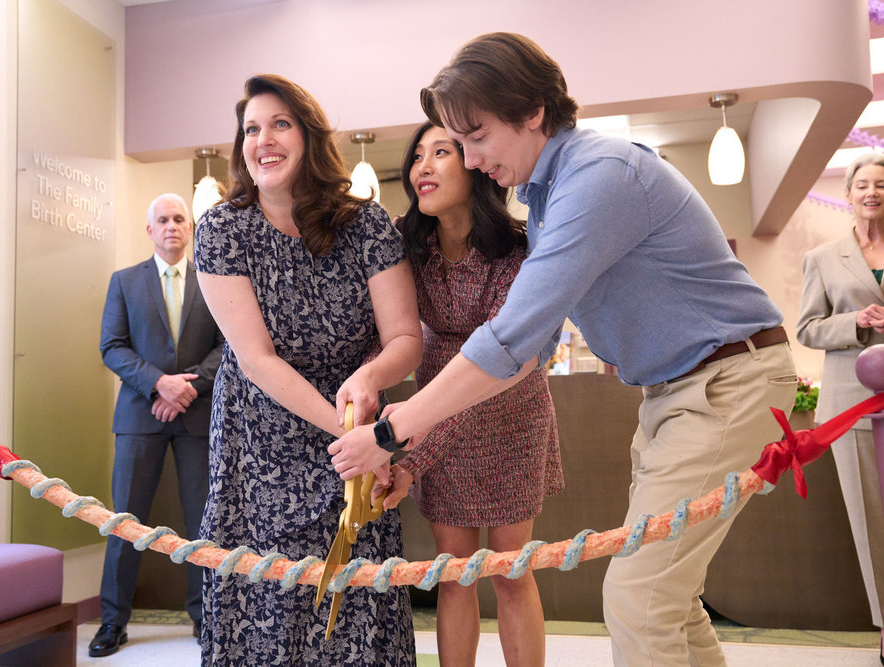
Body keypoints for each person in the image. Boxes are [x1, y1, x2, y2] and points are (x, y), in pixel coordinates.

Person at [329, 32, 797, 666]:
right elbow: (527, 353)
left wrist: (388, 435)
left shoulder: (597, 177)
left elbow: (511, 339)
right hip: (676, 391)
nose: (466, 159)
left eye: (475, 138)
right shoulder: (549, 197)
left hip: (724, 381)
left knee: (639, 596)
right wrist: (408, 447)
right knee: (669, 597)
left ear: (533, 113)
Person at [193, 74, 421, 666]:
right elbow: (258, 360)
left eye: (279, 124)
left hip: (355, 424)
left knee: (356, 593)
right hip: (261, 441)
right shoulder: (222, 230)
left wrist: (369, 382)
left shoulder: (367, 225)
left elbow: (404, 339)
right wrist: (351, 437)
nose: (262, 140)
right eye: (250, 129)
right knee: (268, 596)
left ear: (310, 136)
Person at [376, 121, 564, 666]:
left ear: (475, 165)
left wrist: (413, 450)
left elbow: (500, 365)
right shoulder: (407, 247)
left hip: (508, 407)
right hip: (434, 403)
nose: (423, 167)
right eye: (417, 157)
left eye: (441, 152)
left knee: (510, 569)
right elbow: (390, 331)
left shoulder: (519, 249)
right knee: (452, 572)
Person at [92, 193, 224, 657]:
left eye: (179, 219)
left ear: (190, 228)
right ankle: (112, 623)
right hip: (138, 417)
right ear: (149, 230)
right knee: (124, 522)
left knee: (202, 525)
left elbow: (229, 347)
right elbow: (112, 346)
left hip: (198, 416)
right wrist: (159, 385)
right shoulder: (124, 281)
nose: (171, 226)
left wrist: (185, 389)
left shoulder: (212, 283)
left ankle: (205, 617)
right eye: (162, 220)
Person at [796, 152, 884, 666]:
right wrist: (854, 321)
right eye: (863, 185)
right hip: (852, 401)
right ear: (848, 194)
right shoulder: (824, 258)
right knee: (871, 517)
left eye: (881, 184)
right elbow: (808, 328)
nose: (872, 192)